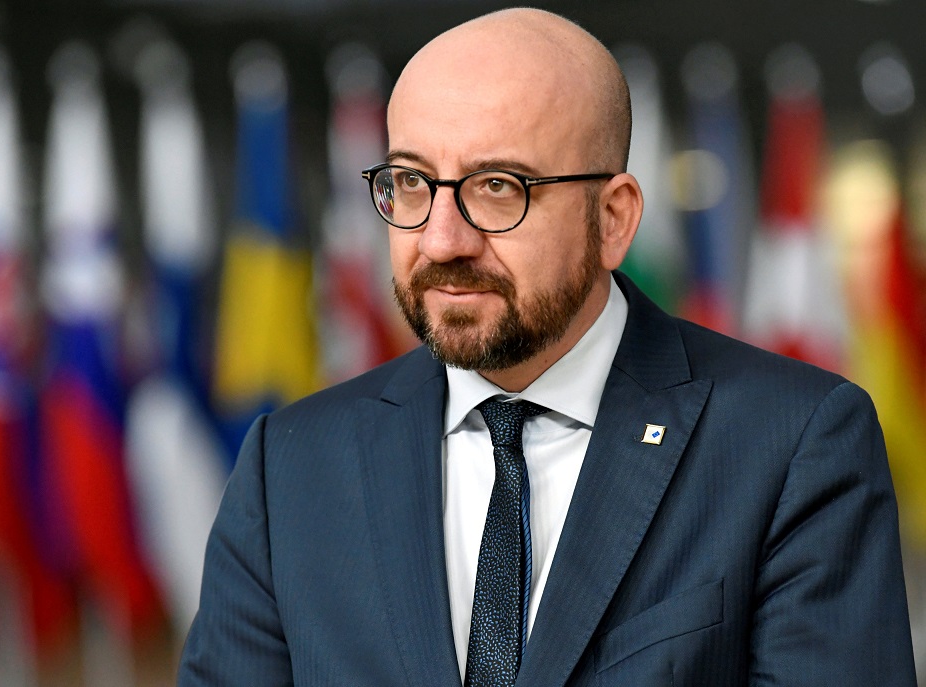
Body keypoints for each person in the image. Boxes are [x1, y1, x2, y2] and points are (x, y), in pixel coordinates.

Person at [178, 8, 916, 686]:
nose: (441, 239)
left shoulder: (794, 441)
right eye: (410, 182)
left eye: (498, 186)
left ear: (615, 218)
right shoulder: (292, 461)